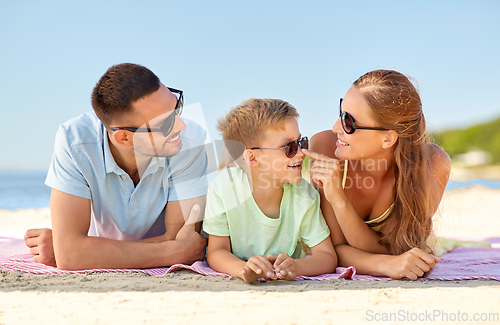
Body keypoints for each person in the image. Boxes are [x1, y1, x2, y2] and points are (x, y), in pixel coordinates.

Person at [24, 63, 208, 270]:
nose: (181, 125)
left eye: (176, 107)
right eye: (165, 124)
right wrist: (72, 251)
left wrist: (85, 252)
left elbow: (180, 240)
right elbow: (178, 249)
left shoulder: (190, 141)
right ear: (124, 138)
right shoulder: (75, 141)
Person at [304, 69, 451, 280]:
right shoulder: (325, 148)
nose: (336, 127)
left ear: (388, 139)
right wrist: (388, 264)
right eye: (340, 112)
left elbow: (396, 249)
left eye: (348, 122)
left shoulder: (431, 165)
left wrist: (392, 259)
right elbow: (334, 249)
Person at [204, 98, 337, 284]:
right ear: (251, 157)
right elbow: (217, 251)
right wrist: (243, 270)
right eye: (289, 147)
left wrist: (297, 267)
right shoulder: (224, 187)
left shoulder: (304, 195)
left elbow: (326, 255)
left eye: (301, 142)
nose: (300, 153)